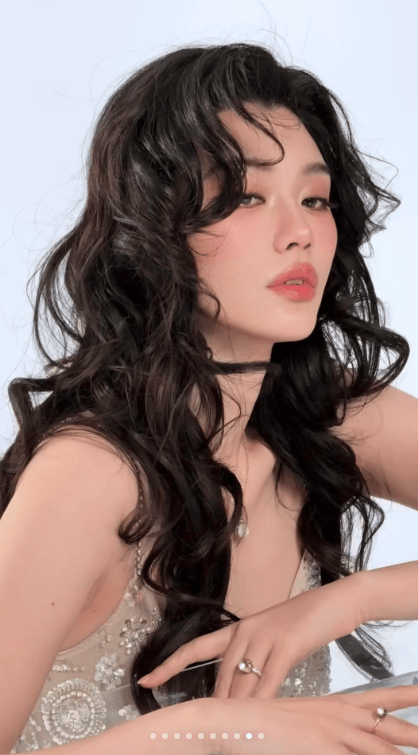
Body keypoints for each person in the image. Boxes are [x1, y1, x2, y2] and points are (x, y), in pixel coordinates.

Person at [1, 40, 418, 754]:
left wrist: (344, 602)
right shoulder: (91, 475)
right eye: (248, 197)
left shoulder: (327, 418)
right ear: (154, 228)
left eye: (315, 199)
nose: (300, 234)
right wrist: (210, 728)